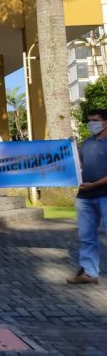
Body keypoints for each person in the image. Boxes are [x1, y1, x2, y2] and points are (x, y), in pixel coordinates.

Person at [67, 109, 107, 284]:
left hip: (104, 195)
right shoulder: (86, 143)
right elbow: (78, 165)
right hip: (84, 197)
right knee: (87, 237)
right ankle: (89, 273)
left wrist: (95, 184)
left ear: (105, 122)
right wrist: (68, 151)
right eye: (89, 120)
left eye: (95, 120)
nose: (91, 124)